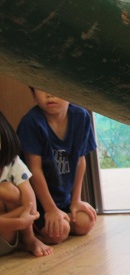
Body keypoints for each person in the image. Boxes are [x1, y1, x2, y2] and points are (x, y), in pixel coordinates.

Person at [18, 88, 97, 245]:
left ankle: (63, 217)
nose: (49, 94)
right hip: (39, 203)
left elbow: (80, 159)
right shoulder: (31, 122)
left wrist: (76, 200)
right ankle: (35, 229)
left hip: (64, 198)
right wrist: (50, 209)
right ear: (33, 94)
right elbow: (34, 170)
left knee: (84, 223)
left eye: (55, 88)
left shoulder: (81, 117)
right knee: (59, 233)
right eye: (41, 89)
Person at [0, 111, 52, 257]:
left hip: (5, 237)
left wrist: (26, 219)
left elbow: (29, 201)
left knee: (11, 191)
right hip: (10, 224)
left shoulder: (12, 163)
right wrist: (18, 221)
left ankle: (29, 239)